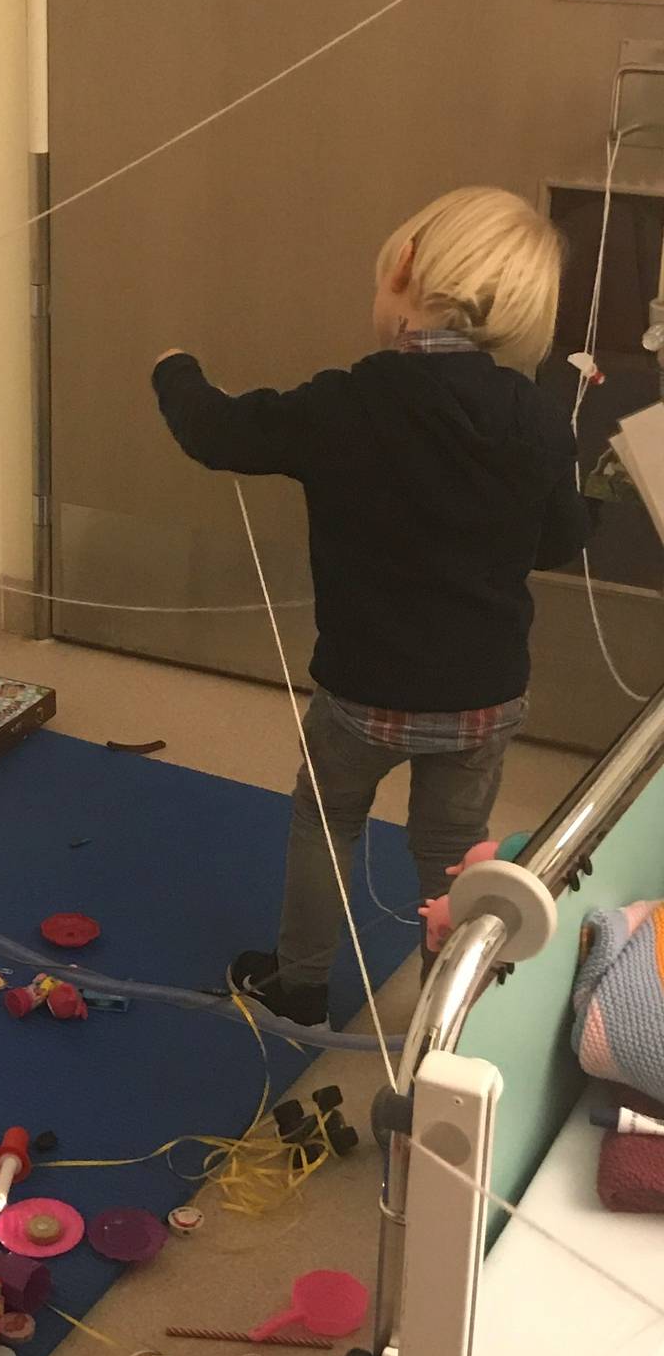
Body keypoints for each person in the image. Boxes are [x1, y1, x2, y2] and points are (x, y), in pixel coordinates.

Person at [150, 186, 590, 1025]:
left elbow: (218, 433)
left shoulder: (345, 401)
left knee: (326, 817)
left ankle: (303, 988)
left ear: (406, 269)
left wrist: (176, 370)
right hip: (482, 701)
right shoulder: (536, 419)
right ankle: (447, 1020)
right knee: (455, 860)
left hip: (362, 694)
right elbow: (556, 542)